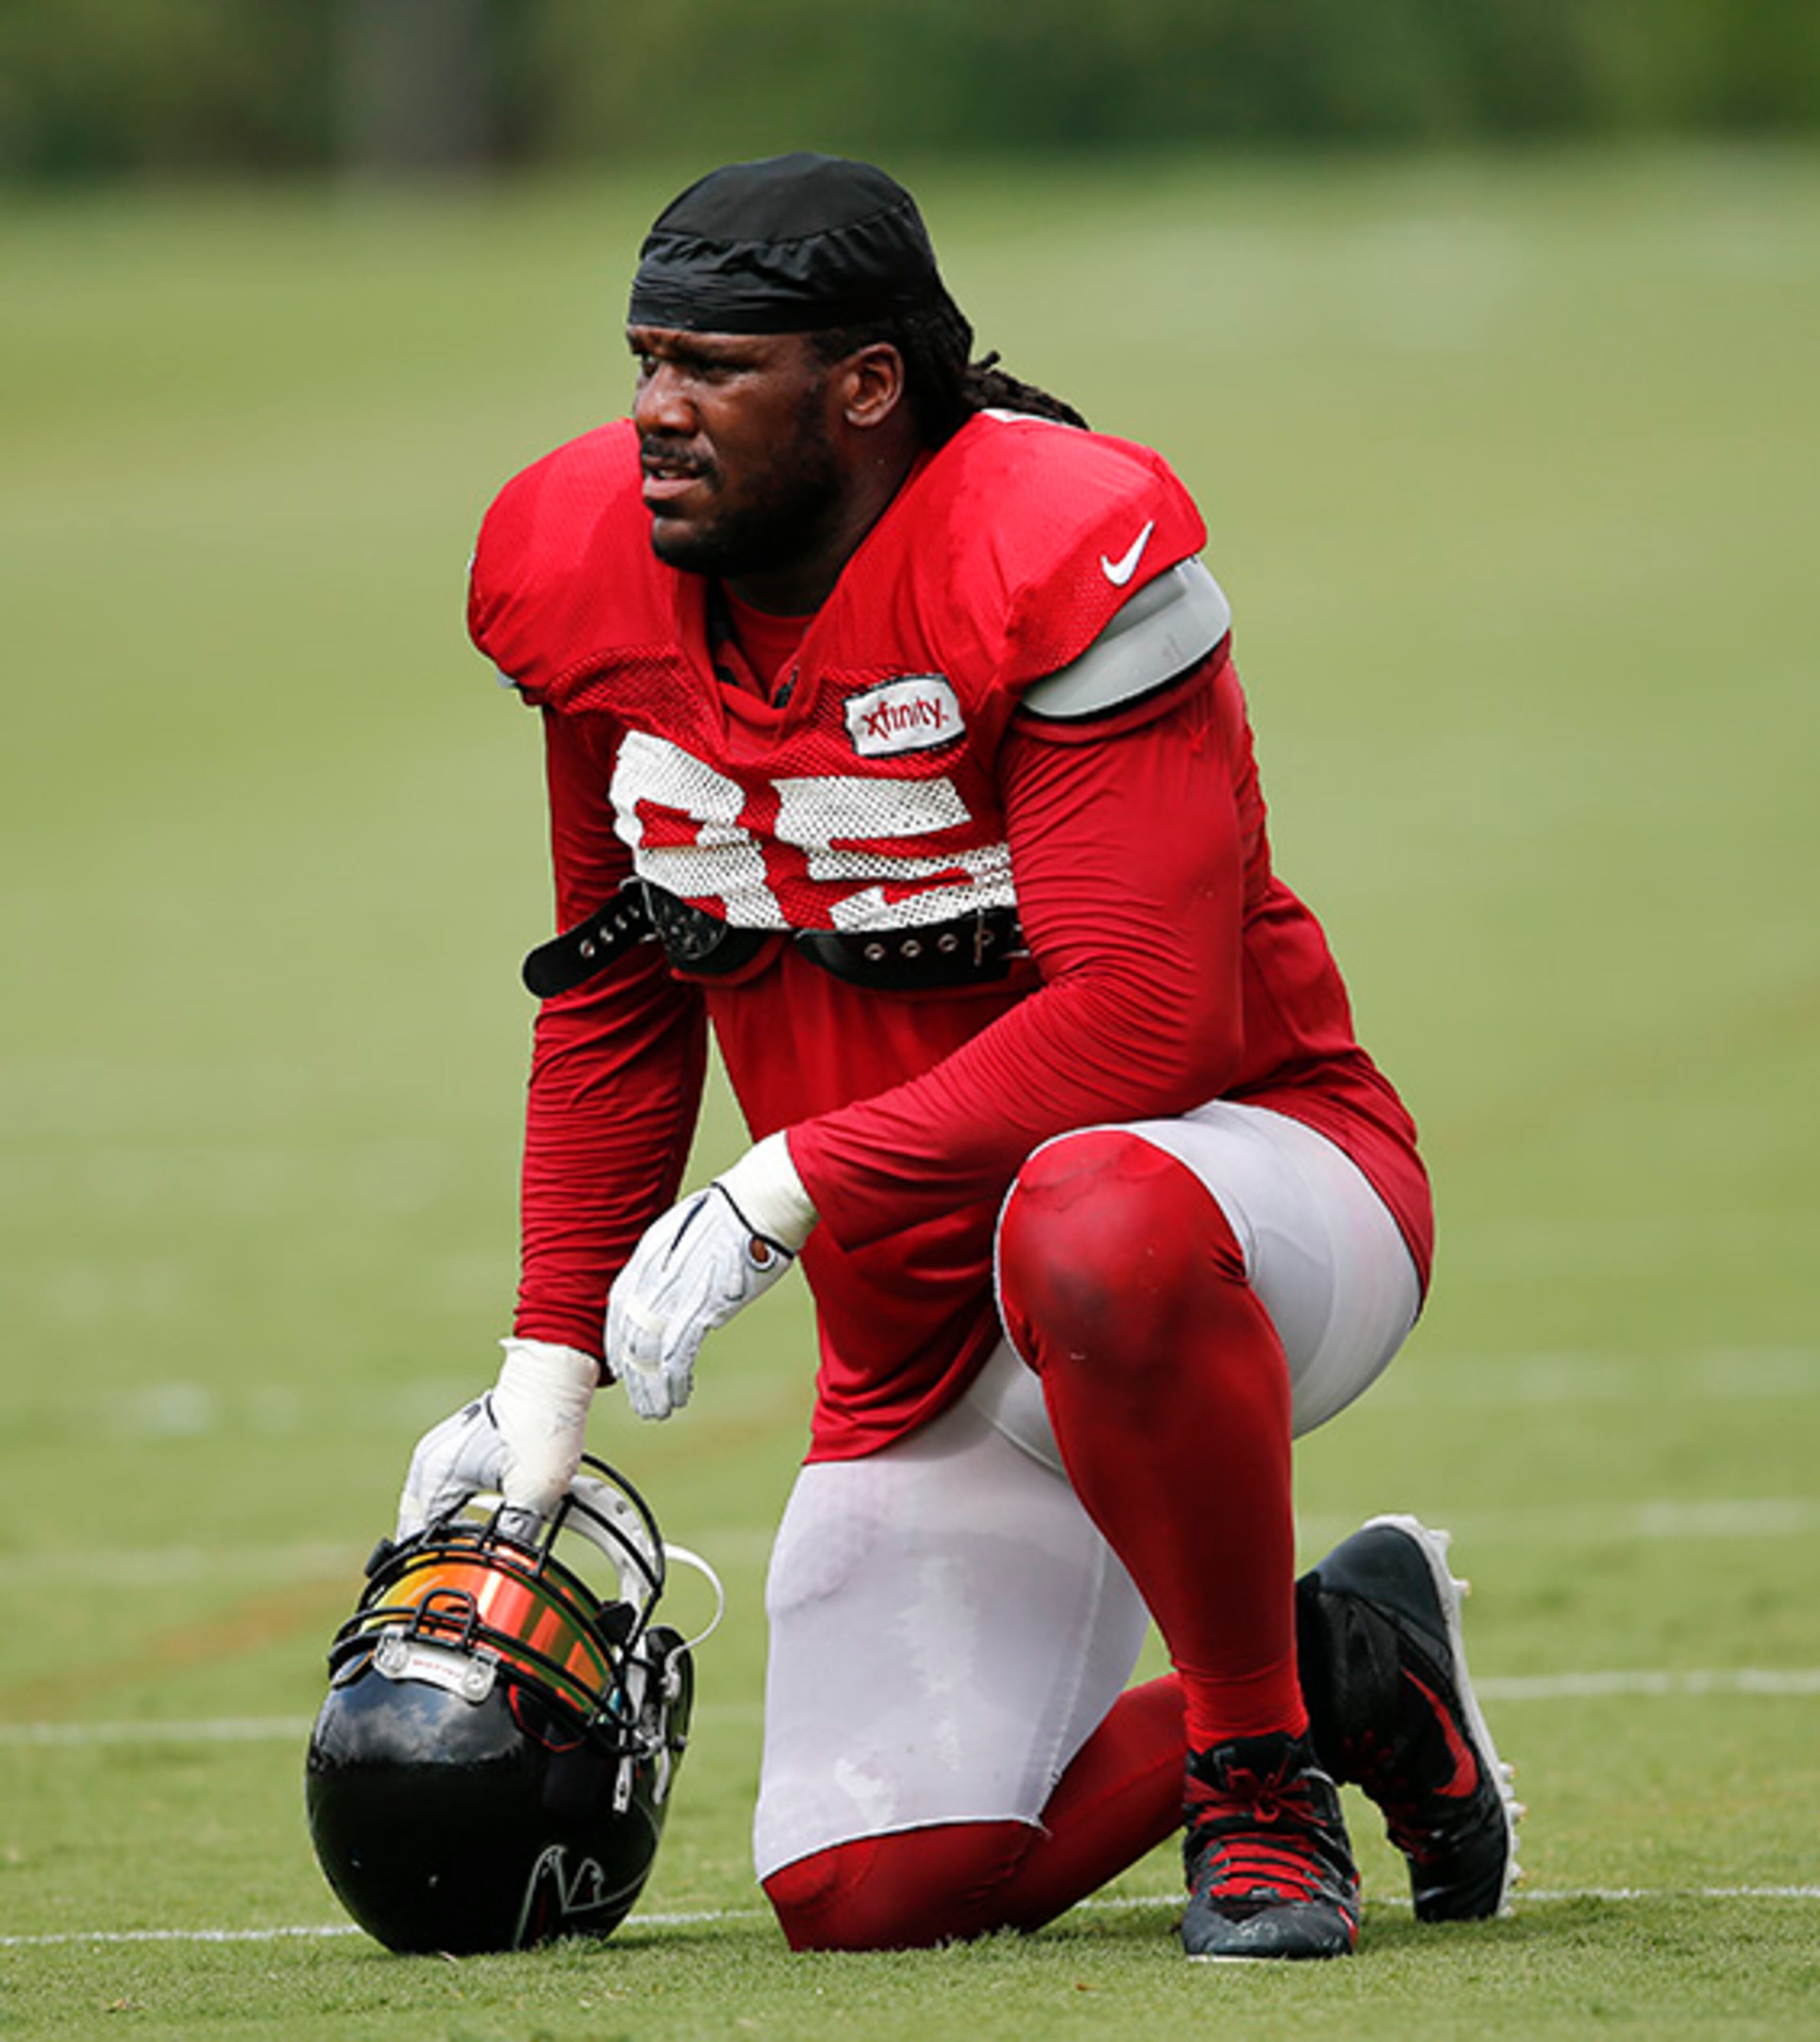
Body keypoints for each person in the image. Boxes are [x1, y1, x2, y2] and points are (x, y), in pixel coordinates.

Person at [398, 153, 1518, 1961]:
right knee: (875, 1896)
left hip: (1243, 1193)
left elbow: (1148, 1018)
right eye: (643, 360)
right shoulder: (586, 567)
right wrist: (546, 1367)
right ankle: (1346, 1661)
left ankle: (1258, 1776)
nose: (654, 417)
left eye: (710, 368)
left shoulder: (1052, 547)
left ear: (866, 384)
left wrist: (783, 1185)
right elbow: (617, 983)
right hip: (918, 1315)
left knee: (1089, 1216)